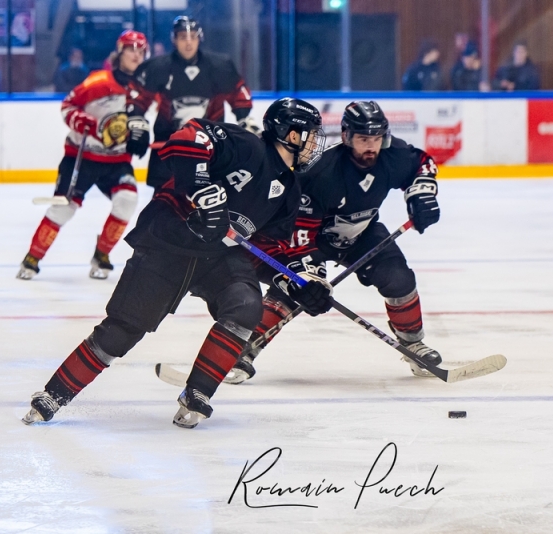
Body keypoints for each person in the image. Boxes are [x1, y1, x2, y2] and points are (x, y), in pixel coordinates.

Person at [21, 98, 332, 429]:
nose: (315, 144)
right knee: (123, 331)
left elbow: (266, 251)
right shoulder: (247, 145)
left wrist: (298, 283)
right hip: (168, 243)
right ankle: (54, 394)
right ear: (290, 135)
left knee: (245, 305)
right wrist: (203, 192)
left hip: (219, 258)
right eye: (310, 135)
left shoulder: (289, 190)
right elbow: (189, 137)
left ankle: (198, 392)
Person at [225, 100, 442, 385]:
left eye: (376, 139)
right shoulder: (321, 173)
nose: (371, 146)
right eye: (363, 139)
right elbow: (299, 229)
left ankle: (413, 344)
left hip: (363, 233)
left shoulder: (395, 156)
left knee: (398, 277)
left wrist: (421, 193)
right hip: (315, 237)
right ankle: (244, 348)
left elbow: (422, 163)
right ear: (347, 137)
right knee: (296, 287)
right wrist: (308, 273)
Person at [17, 31, 149, 281]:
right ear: (119, 52)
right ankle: (32, 258)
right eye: (131, 49)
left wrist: (141, 133)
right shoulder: (98, 81)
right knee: (64, 209)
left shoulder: (143, 89)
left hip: (117, 162)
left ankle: (101, 255)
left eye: (141, 51)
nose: (136, 54)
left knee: (127, 201)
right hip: (82, 157)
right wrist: (91, 125)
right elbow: (68, 106)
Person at [126, 16, 259, 190]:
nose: (188, 43)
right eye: (183, 37)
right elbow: (138, 97)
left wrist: (243, 118)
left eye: (193, 37)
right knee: (162, 208)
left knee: (212, 204)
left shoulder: (220, 66)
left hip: (211, 148)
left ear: (199, 38)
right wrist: (137, 122)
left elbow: (238, 94)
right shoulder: (157, 68)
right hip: (169, 147)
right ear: (174, 39)